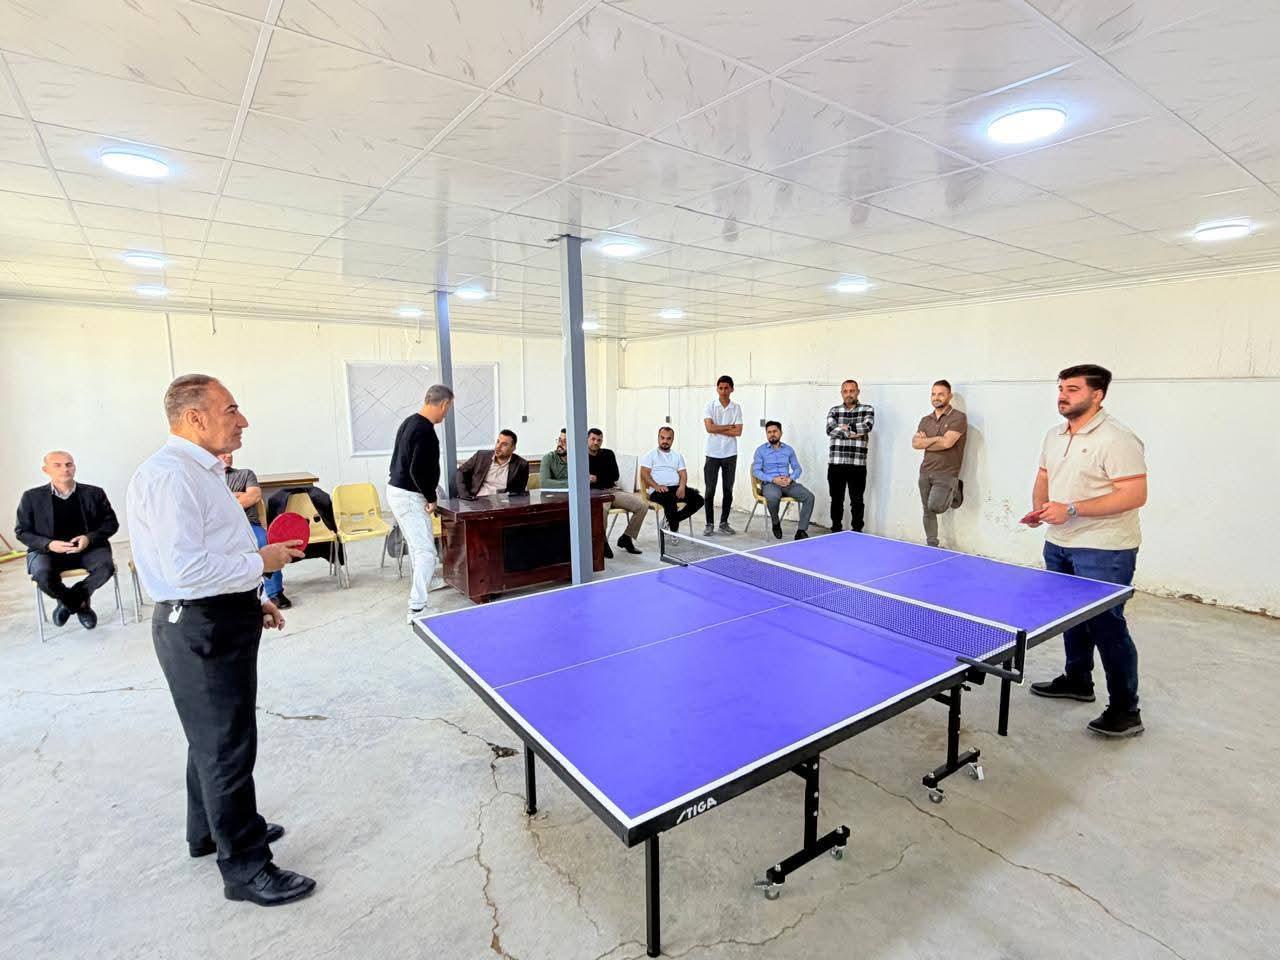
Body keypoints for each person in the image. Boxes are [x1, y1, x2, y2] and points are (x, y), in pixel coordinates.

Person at [127, 374, 313, 907]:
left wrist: (250, 600)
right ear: (195, 418)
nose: (243, 420)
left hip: (217, 615)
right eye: (231, 409)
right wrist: (262, 562)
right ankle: (247, 868)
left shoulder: (200, 471)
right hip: (200, 626)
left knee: (210, 739)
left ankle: (210, 830)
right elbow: (185, 571)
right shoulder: (171, 477)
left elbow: (210, 554)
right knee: (227, 748)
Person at [1023, 364, 1148, 738]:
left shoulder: (1117, 438)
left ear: (1098, 395)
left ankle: (1126, 710)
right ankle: (1077, 680)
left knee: (1107, 626)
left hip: (1104, 548)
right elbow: (1045, 475)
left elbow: (1134, 494)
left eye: (1073, 389)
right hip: (1059, 543)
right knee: (1071, 618)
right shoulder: (1054, 435)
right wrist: (1041, 509)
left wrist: (1072, 509)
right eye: (1061, 388)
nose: (1063, 395)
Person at [16, 450, 119, 630]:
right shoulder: (31, 497)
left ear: (74, 467)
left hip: (88, 549)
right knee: (41, 574)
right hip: (48, 551)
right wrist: (49, 544)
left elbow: (111, 523)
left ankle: (67, 602)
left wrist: (88, 538)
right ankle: (80, 604)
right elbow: (22, 531)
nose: (65, 469)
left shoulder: (94, 493)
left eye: (69, 464)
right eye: (57, 465)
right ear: (46, 470)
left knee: (106, 567)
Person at [387, 383, 454, 622]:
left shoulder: (409, 422)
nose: (446, 414)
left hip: (397, 491)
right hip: (409, 496)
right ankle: (417, 608)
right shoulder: (425, 430)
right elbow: (417, 470)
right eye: (448, 408)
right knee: (426, 552)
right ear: (443, 404)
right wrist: (431, 498)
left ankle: (425, 582)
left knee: (418, 548)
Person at [220, 453, 288, 609]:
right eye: (224, 452)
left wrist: (224, 501)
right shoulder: (208, 479)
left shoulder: (245, 474)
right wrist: (237, 496)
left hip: (249, 524)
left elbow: (254, 496)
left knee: (266, 542)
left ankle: (275, 593)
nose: (228, 455)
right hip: (221, 527)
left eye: (230, 453)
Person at [912, 379, 967, 547]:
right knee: (927, 510)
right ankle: (932, 544)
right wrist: (937, 439)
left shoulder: (958, 417)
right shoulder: (925, 420)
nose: (936, 397)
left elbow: (947, 443)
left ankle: (955, 490)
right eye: (933, 394)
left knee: (936, 506)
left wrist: (927, 442)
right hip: (925, 471)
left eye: (941, 394)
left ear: (949, 396)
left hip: (946, 472)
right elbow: (916, 444)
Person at [583, 427, 647, 556]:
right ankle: (602, 542)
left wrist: (596, 478)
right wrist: (600, 477)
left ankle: (627, 537)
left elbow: (615, 476)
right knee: (602, 510)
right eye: (593, 439)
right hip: (595, 493)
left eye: (599, 440)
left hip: (612, 491)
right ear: (587, 439)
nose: (596, 442)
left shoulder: (608, 454)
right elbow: (583, 479)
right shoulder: (581, 457)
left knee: (642, 505)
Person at [751, 421, 816, 540]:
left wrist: (790, 478)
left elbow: (797, 468)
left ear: (781, 433)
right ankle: (776, 522)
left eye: (775, 431)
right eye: (769, 432)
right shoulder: (760, 451)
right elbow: (756, 471)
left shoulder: (788, 450)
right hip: (770, 484)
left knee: (809, 497)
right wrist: (773, 479)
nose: (772, 434)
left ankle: (801, 531)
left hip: (788, 483)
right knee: (773, 497)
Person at [825, 379, 875, 533]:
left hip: (857, 464)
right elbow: (830, 430)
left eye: (852, 391)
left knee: (857, 501)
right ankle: (836, 529)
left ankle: (857, 531)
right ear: (841, 393)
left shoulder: (867, 409)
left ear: (858, 392)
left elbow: (867, 426)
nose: (849, 394)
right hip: (836, 463)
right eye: (845, 391)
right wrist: (853, 433)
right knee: (836, 500)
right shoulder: (834, 410)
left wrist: (843, 428)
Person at [640, 427, 704, 533]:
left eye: (668, 438)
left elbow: (683, 474)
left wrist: (682, 487)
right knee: (670, 501)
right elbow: (644, 474)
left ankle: (672, 520)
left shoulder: (677, 456)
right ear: (658, 438)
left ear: (672, 440)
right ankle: (674, 531)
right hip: (658, 491)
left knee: (699, 500)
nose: (665, 441)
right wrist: (656, 486)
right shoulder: (650, 455)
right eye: (662, 438)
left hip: (675, 488)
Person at [702, 375, 743, 536]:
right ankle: (709, 523)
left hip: (730, 453)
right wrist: (728, 427)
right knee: (709, 490)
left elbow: (738, 431)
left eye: (726, 388)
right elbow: (709, 428)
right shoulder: (710, 406)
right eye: (721, 388)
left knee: (728, 490)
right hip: (712, 454)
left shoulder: (736, 408)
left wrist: (717, 428)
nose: (723, 391)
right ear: (717, 389)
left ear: (732, 389)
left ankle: (724, 523)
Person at [455, 430, 529, 498]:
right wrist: (464, 494)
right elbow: (461, 471)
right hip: (478, 500)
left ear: (513, 448)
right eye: (498, 442)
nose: (498, 447)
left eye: (504, 444)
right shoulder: (481, 456)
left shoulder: (521, 465)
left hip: (503, 503)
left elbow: (519, 492)